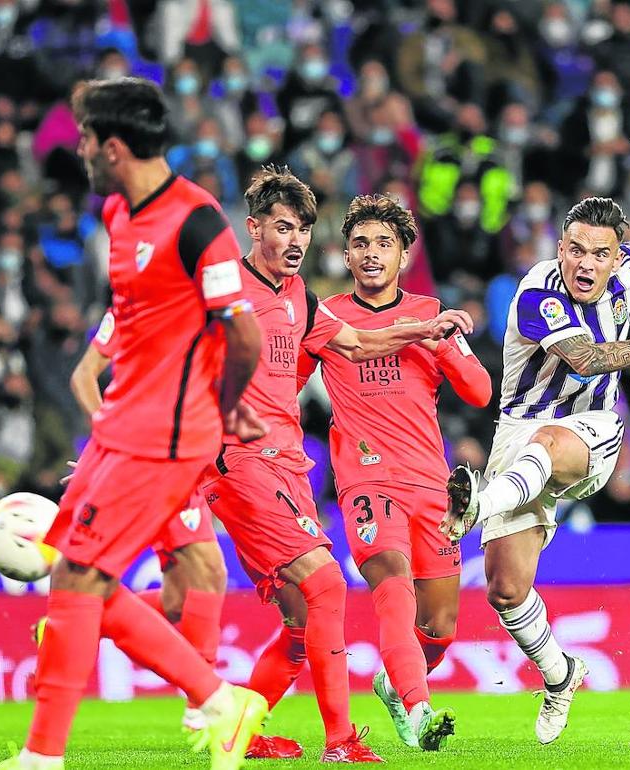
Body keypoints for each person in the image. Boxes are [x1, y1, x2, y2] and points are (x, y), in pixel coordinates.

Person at [0, 77, 271, 770]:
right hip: (118, 429)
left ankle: (49, 755)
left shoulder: (198, 222)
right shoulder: (118, 211)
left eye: (87, 139)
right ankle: (213, 700)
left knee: (90, 573)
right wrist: (90, 95)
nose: (79, 149)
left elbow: (243, 337)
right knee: (74, 575)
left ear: (114, 149)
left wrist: (232, 401)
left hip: (171, 436)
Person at [197, 166, 471, 762]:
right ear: (253, 229)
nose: (295, 242)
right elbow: (177, 362)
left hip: (287, 465)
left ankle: (237, 730)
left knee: (302, 623)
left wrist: (426, 329)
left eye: (302, 231)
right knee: (326, 585)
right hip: (236, 459)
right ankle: (341, 742)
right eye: (282, 228)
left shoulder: (301, 298)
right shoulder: (222, 289)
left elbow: (357, 342)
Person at [441, 198, 630, 744]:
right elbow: (587, 359)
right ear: (560, 247)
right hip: (517, 438)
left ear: (617, 258)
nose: (585, 265)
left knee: (548, 442)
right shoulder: (538, 294)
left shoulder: (626, 271)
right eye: (575, 250)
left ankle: (477, 506)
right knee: (505, 589)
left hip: (591, 433)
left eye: (599, 254)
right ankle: (561, 674)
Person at [300, 194, 492, 749]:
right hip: (365, 480)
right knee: (391, 580)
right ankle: (419, 712)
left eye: (384, 243)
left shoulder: (432, 313)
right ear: (346, 254)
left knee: (439, 627)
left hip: (431, 486)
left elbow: (478, 392)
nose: (371, 253)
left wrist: (446, 343)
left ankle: (396, 683)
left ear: (404, 254)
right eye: (360, 243)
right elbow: (285, 388)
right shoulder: (327, 317)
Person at [66, 307, 232, 735]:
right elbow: (84, 378)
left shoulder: (210, 306)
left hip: (187, 454)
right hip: (149, 458)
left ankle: (78, 619)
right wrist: (108, 448)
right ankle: (205, 704)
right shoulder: (131, 307)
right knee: (210, 571)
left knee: (179, 602)